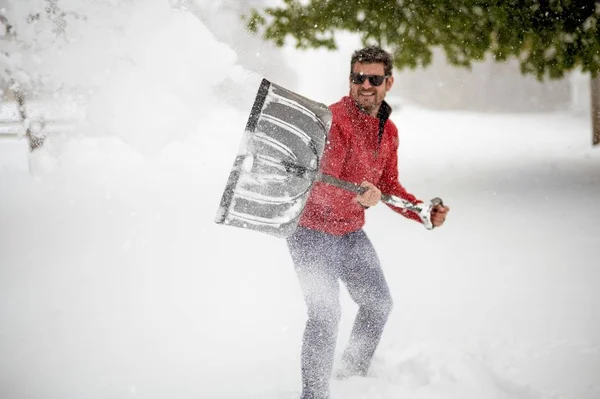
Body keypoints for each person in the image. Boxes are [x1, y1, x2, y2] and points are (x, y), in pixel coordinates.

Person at [286, 45, 450, 399]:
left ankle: (353, 375)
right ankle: (314, 395)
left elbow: (388, 186)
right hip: (310, 231)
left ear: (388, 83)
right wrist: (357, 197)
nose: (365, 85)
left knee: (378, 304)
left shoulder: (388, 131)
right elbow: (320, 186)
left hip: (348, 233)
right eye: (358, 77)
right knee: (325, 313)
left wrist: (421, 210)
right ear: (350, 80)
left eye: (374, 78)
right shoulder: (332, 121)